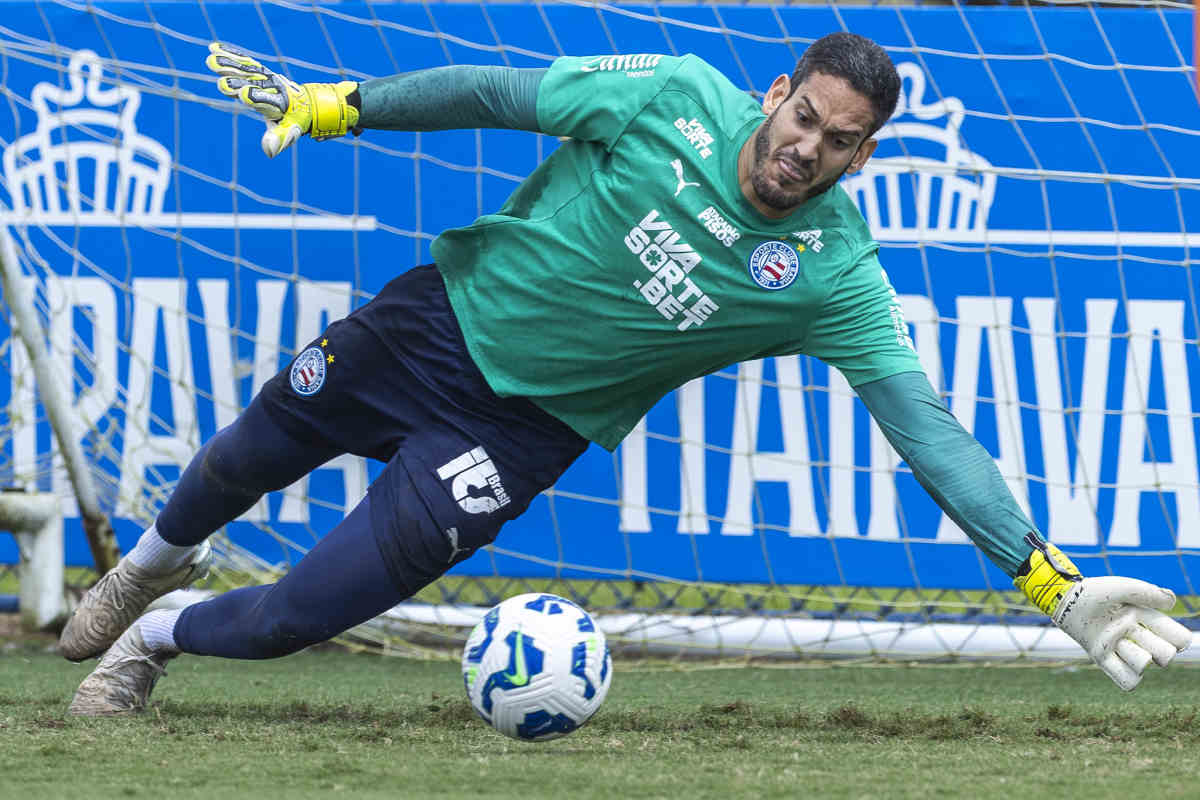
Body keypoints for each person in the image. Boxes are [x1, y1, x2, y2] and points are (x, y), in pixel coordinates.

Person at [64, 33, 1190, 715]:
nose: (808, 147)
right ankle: (149, 567)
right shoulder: (673, 93)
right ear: (777, 93)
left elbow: (927, 429)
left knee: (301, 613)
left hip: (516, 438)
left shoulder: (833, 275)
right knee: (243, 453)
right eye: (805, 116)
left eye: (839, 141)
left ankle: (149, 642)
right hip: (436, 325)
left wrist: (1056, 584)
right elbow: (497, 95)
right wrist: (340, 109)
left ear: (865, 154)